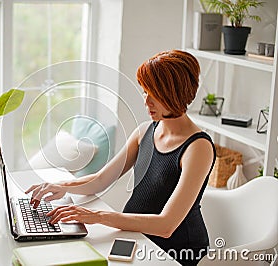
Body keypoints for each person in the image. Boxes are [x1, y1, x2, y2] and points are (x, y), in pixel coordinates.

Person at [25, 50, 216, 265]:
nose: (146, 101)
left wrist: (97, 217)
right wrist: (63, 186)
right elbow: (101, 179)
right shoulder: (145, 132)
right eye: (145, 92)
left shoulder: (198, 147)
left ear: (175, 93)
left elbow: (166, 225)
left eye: (155, 94)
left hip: (173, 252)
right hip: (135, 237)